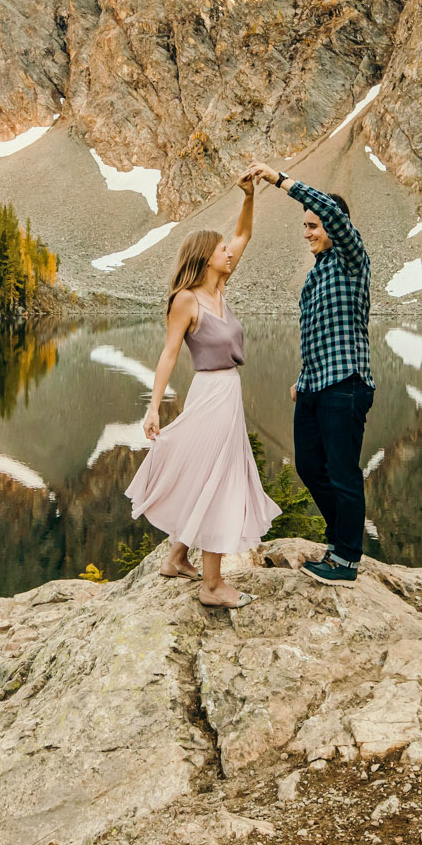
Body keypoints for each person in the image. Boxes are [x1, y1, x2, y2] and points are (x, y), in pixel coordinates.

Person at [125, 171, 280, 608]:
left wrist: (249, 196)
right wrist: (153, 408)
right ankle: (212, 586)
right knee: (220, 480)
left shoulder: (221, 291)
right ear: (204, 258)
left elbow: (245, 232)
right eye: (220, 250)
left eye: (227, 250)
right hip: (210, 394)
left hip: (227, 394)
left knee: (207, 473)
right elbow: (169, 355)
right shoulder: (187, 300)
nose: (228, 252)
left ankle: (176, 558)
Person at [245, 162, 373, 586]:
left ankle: (346, 560)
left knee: (342, 470)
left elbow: (331, 214)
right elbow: (316, 332)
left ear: (335, 224)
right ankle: (338, 543)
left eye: (313, 225)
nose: (307, 233)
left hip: (346, 385)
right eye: (304, 227)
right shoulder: (316, 274)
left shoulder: (352, 260)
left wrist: (280, 180)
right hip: (315, 385)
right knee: (309, 465)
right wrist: (302, 378)